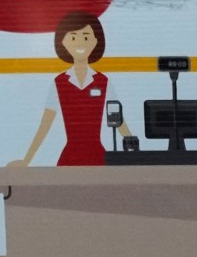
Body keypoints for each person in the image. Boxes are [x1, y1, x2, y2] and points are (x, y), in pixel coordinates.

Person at [12, 11, 136, 166]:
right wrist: (26, 160)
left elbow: (119, 122)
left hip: (97, 156)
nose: (80, 43)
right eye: (73, 37)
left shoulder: (103, 81)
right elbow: (45, 125)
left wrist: (136, 156)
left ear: (96, 41)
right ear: (62, 41)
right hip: (70, 157)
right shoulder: (59, 83)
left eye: (85, 37)